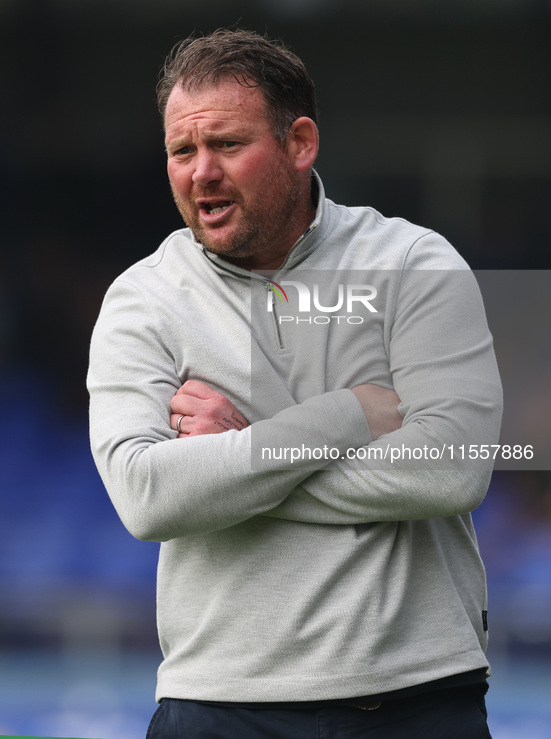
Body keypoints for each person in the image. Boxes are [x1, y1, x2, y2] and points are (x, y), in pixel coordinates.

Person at [87, 28, 503, 738]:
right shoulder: (141, 298)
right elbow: (149, 495)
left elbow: (449, 470)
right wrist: (342, 416)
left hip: (416, 695)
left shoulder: (413, 262)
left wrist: (237, 456)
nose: (201, 172)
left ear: (300, 142)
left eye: (225, 144)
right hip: (217, 703)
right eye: (182, 151)